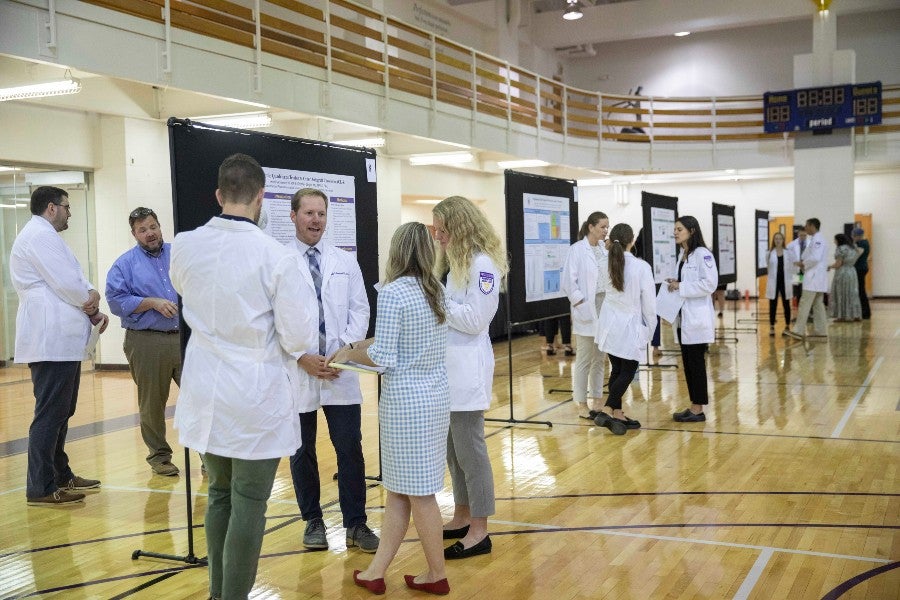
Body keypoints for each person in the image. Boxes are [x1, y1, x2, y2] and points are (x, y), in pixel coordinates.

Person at [170, 153, 315, 600]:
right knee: (249, 501)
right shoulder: (276, 257)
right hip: (254, 392)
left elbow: (183, 292)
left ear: (218, 195)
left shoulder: (185, 245)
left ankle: (218, 594)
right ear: (261, 197)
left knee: (219, 493)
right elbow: (298, 337)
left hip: (205, 386)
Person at [332, 222, 450, 596]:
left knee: (420, 494)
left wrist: (349, 354)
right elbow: (391, 340)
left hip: (405, 406)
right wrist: (357, 344)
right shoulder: (436, 290)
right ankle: (375, 572)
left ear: (396, 251)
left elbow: (382, 355)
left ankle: (437, 574)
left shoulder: (394, 292)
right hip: (434, 399)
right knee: (401, 491)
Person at [286, 188, 379, 553]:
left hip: (340, 371)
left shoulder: (345, 261)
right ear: (293, 216)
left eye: (321, 214)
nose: (315, 220)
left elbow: (361, 310)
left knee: (349, 449)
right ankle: (313, 521)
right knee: (301, 450)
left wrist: (343, 353)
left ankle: (356, 524)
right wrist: (300, 355)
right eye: (308, 213)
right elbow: (273, 318)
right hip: (300, 372)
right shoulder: (280, 262)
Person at [11, 185, 109, 506]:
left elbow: (76, 275)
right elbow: (67, 283)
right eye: (67, 207)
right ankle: (40, 487)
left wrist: (91, 293)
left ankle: (60, 475)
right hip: (48, 339)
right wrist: (90, 304)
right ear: (51, 208)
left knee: (63, 411)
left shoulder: (48, 238)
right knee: (50, 414)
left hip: (60, 341)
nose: (69, 213)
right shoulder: (38, 236)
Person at [432, 195, 507, 560]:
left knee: (472, 453)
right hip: (447, 373)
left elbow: (476, 320)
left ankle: (480, 529)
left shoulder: (482, 265)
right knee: (454, 453)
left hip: (467, 373)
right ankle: (462, 515)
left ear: (460, 228)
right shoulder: (454, 265)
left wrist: (437, 300)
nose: (439, 238)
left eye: (443, 231)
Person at [106, 207, 182, 477]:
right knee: (152, 403)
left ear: (160, 226)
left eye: (153, 226)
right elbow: (116, 302)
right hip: (147, 341)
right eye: (143, 230)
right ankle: (160, 457)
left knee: (201, 398)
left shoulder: (179, 254)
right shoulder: (124, 265)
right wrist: (151, 303)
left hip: (186, 339)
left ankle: (209, 456)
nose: (150, 233)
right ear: (134, 234)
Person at [593, 223, 656, 434]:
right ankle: (607, 408)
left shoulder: (604, 263)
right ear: (632, 241)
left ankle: (617, 415)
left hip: (609, 324)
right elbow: (649, 304)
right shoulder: (641, 267)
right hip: (630, 325)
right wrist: (651, 329)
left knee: (617, 370)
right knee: (628, 371)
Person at [666, 216, 717, 423]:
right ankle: (694, 406)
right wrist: (676, 283)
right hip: (683, 317)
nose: (675, 232)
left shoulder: (703, 254)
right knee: (688, 364)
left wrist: (682, 286)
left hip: (696, 319)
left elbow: (710, 284)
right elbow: (687, 282)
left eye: (679, 229)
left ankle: (698, 409)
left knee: (696, 365)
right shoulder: (683, 254)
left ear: (692, 230)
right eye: (675, 229)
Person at [561, 211, 610, 419]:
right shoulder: (577, 250)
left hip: (604, 307)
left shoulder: (605, 250)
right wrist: (580, 302)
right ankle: (581, 401)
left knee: (600, 358)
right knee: (584, 358)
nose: (605, 231)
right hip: (586, 307)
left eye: (607, 227)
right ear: (591, 227)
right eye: (602, 227)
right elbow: (568, 282)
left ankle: (597, 398)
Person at [786, 218, 828, 340]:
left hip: (814, 278)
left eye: (807, 226)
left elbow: (815, 258)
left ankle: (798, 331)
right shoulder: (816, 239)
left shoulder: (818, 240)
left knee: (804, 303)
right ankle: (821, 331)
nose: (805, 228)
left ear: (812, 226)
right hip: (816, 277)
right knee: (817, 304)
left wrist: (803, 264)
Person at [827, 233, 862, 322]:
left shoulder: (840, 249)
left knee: (841, 293)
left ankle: (841, 316)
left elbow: (838, 264)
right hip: (852, 272)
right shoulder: (853, 247)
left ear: (838, 240)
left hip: (842, 273)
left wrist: (829, 267)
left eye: (835, 240)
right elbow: (861, 251)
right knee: (852, 293)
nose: (834, 241)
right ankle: (855, 315)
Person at [764, 231, 792, 336]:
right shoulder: (769, 253)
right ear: (773, 240)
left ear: (783, 240)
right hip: (773, 282)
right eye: (776, 239)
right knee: (773, 304)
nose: (778, 240)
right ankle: (772, 326)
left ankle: (787, 325)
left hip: (785, 282)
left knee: (786, 304)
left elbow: (791, 267)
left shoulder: (787, 252)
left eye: (780, 238)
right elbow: (768, 266)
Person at [785, 228, 808, 321]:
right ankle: (798, 315)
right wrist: (795, 263)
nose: (803, 237)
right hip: (797, 272)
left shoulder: (810, 244)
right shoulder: (791, 245)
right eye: (801, 235)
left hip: (807, 271)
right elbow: (787, 259)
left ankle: (807, 314)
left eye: (804, 235)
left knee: (806, 292)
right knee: (797, 293)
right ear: (798, 234)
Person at [851, 227, 871, 320]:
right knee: (860, 290)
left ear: (858, 236)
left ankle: (865, 312)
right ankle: (864, 311)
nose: (853, 238)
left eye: (854, 236)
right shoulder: (865, 242)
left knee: (861, 291)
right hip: (862, 268)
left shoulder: (861, 244)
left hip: (860, 269)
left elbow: (855, 256)